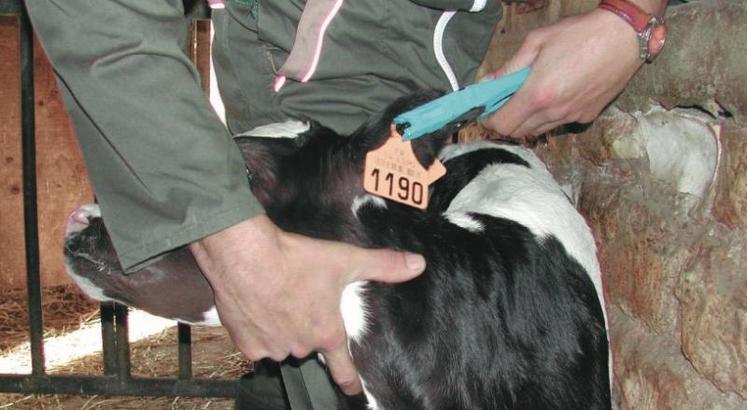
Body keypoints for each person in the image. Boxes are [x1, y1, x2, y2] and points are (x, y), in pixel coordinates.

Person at [25, 0, 667, 407]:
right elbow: (101, 19)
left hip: (379, 87)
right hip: (264, 87)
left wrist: (632, 13)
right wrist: (231, 242)